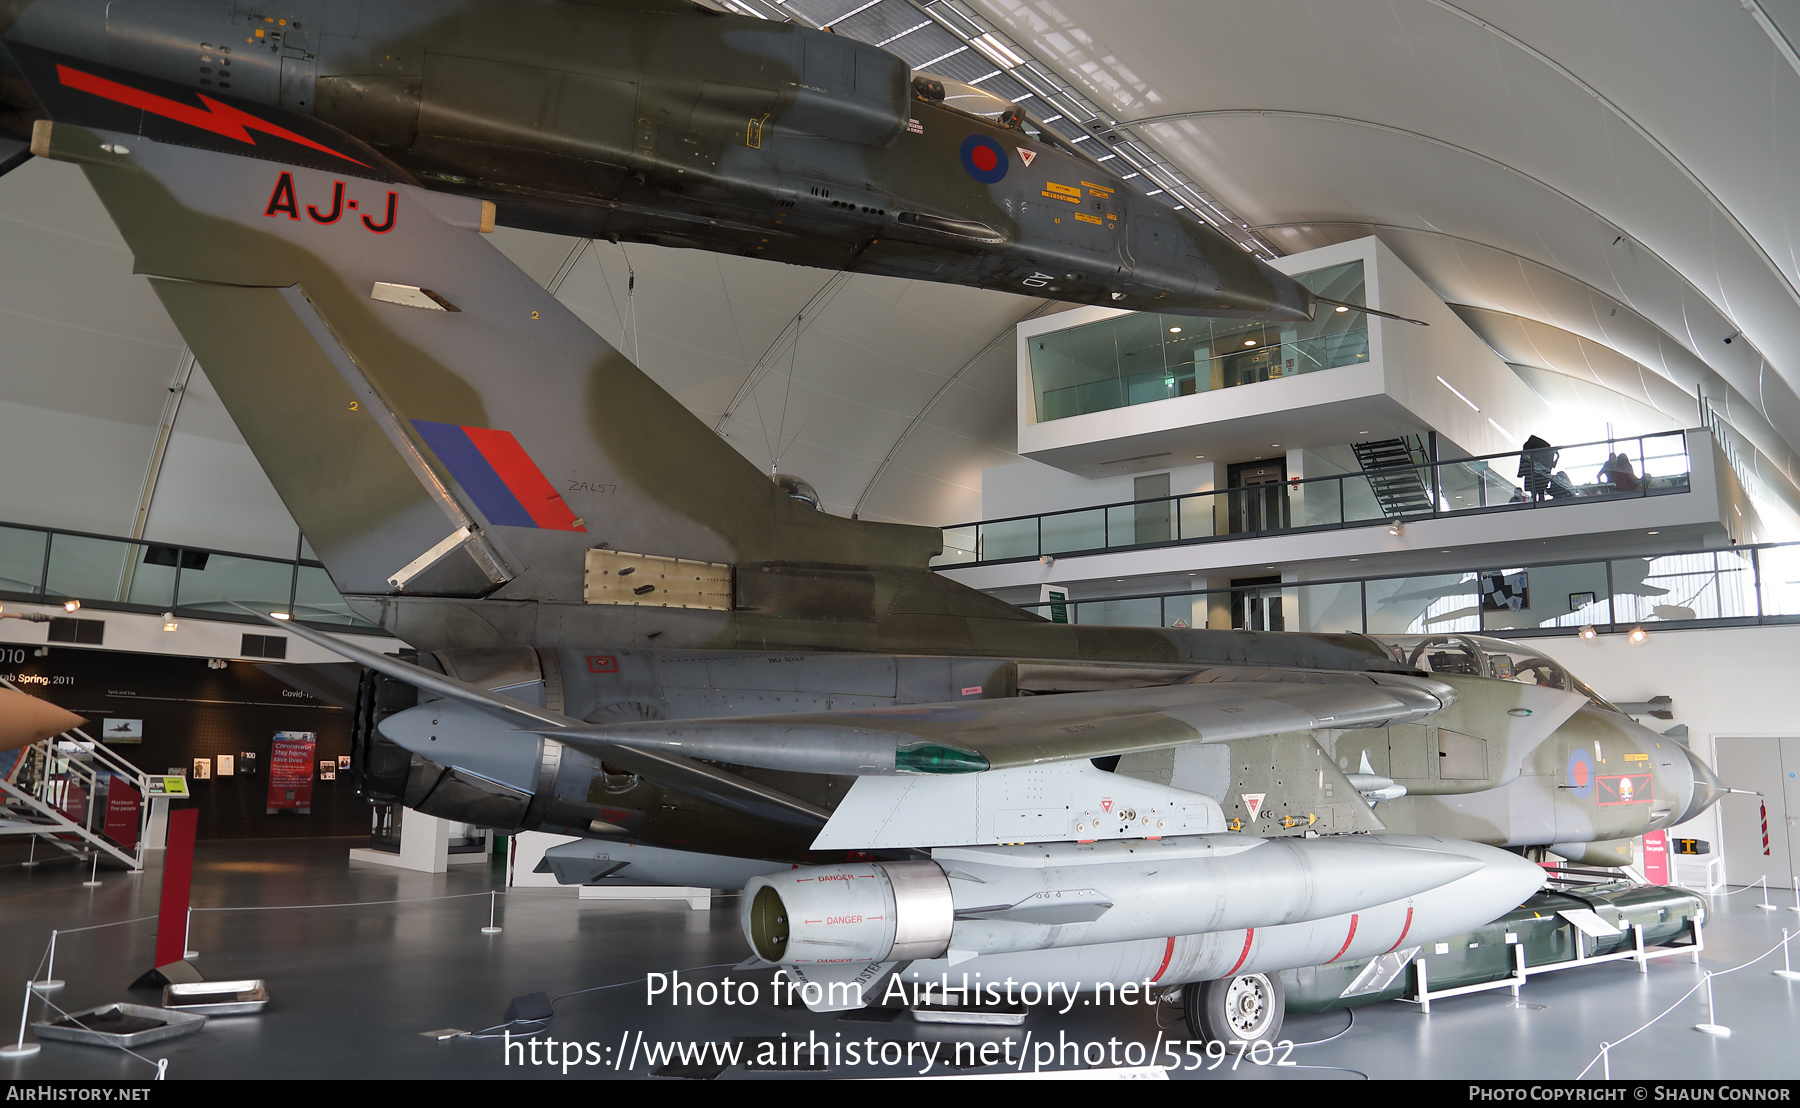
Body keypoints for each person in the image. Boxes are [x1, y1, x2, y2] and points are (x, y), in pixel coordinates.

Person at [1517, 435, 1557, 502]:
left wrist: (1521, 473)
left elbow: (1523, 463)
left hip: (1532, 474)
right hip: (1540, 475)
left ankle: (1535, 501)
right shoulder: (1545, 451)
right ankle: (1538, 501)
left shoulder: (1529, 449)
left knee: (1535, 493)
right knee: (1540, 492)